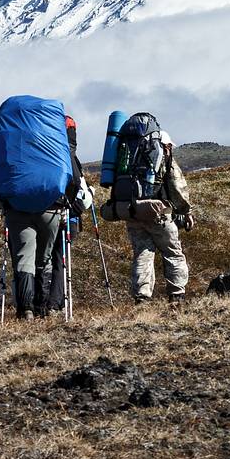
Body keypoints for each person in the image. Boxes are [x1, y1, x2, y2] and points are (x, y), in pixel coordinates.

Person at [0, 96, 73, 321]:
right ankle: (42, 308)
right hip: (51, 205)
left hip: (16, 206)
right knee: (45, 258)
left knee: (23, 258)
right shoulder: (53, 139)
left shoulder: (11, 137)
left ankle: (26, 311)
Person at [105, 113, 194, 304]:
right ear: (166, 144)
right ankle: (177, 296)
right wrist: (185, 211)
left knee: (142, 253)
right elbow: (176, 185)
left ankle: (142, 298)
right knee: (173, 252)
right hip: (157, 212)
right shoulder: (162, 152)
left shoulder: (126, 151)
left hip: (131, 210)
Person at [46, 116, 94, 316]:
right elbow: (82, 198)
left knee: (42, 258)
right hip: (68, 218)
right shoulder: (72, 158)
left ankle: (38, 301)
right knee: (59, 260)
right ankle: (55, 304)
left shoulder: (46, 155)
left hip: (45, 213)